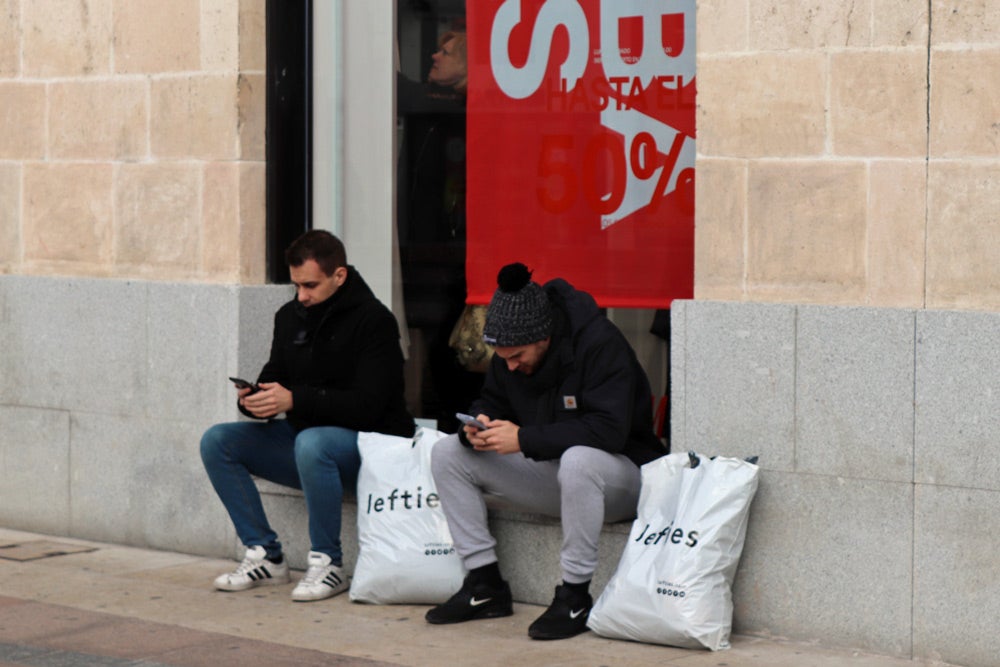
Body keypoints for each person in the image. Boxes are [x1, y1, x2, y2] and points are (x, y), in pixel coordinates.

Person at [425, 263, 666, 639]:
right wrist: (475, 424)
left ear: (544, 336)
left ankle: (574, 595)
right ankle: (485, 585)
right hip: (558, 476)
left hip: (624, 479)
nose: (510, 365)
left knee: (579, 459)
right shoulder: (511, 354)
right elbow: (491, 399)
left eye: (517, 356)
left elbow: (609, 430)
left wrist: (524, 440)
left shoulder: (600, 344)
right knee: (447, 454)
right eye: (502, 358)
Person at [200, 230, 414, 602]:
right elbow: (275, 377)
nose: (302, 295)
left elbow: (372, 406)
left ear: (340, 276)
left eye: (311, 285)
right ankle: (265, 555)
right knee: (218, 440)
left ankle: (329, 563)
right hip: (305, 443)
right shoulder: (289, 316)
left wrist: (295, 400)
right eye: (296, 285)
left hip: (370, 448)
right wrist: (256, 399)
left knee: (313, 442)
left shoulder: (374, 320)